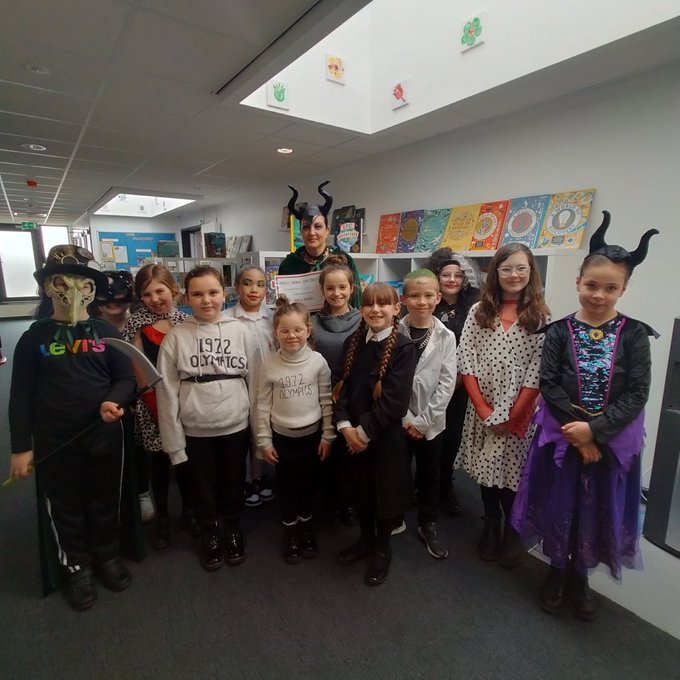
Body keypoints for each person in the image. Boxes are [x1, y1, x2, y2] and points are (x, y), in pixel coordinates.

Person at [511, 212, 659, 621]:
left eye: (610, 288)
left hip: (610, 442)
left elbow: (638, 391)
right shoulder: (559, 331)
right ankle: (557, 571)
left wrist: (595, 432)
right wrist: (576, 433)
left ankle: (581, 576)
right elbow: (549, 382)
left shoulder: (634, 334)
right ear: (578, 282)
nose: (599, 295)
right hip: (562, 435)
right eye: (592, 285)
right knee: (562, 504)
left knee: (596, 507)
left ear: (624, 289)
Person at [8, 245, 136, 611]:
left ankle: (106, 554)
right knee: (65, 504)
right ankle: (75, 565)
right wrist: (21, 446)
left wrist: (114, 400)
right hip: (55, 438)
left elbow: (125, 377)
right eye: (63, 282)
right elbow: (20, 394)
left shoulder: (105, 331)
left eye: (83, 283)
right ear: (49, 286)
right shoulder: (34, 338)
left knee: (104, 497)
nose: (73, 291)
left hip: (103, 432)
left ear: (92, 289)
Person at [156, 266, 259, 572]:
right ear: (186, 298)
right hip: (195, 428)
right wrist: (174, 444)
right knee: (201, 487)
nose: (206, 300)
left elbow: (255, 384)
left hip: (235, 423)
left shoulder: (241, 331)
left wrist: (259, 433)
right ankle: (210, 531)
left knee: (233, 481)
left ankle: (233, 526)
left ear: (224, 294)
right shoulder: (176, 337)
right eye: (197, 294)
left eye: (213, 292)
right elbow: (166, 392)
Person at [456, 243, 550, 568]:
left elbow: (538, 369)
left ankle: (512, 526)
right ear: (496, 272)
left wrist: (513, 414)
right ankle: (491, 521)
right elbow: (466, 359)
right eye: (506, 268)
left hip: (520, 409)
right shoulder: (479, 311)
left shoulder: (541, 316)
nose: (513, 275)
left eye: (521, 268)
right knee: (486, 470)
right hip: (483, 405)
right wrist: (483, 408)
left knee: (512, 472)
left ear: (530, 272)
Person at [333, 282, 417, 586]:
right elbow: (339, 387)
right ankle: (365, 540)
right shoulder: (353, 342)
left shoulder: (404, 348)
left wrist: (363, 434)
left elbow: (395, 402)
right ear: (361, 309)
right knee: (361, 491)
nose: (375, 309)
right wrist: (345, 426)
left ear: (396, 309)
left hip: (382, 439)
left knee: (383, 495)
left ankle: (382, 548)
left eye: (383, 304)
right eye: (369, 304)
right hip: (351, 436)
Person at [254, 296, 335, 563]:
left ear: (308, 331)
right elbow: (262, 405)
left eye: (298, 329)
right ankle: (289, 529)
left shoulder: (318, 362)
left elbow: (326, 401)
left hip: (312, 439)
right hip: (281, 440)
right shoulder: (269, 364)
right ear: (275, 333)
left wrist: (328, 436)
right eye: (285, 330)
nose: (291, 336)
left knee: (308, 485)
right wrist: (264, 441)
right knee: (286, 486)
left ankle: (306, 525)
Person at [122, 264, 195, 545]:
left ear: (173, 290)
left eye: (159, 291)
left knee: (185, 460)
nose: (154, 299)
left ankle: (189, 510)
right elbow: (138, 367)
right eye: (146, 294)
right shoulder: (137, 323)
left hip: (184, 400)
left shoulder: (184, 321)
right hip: (152, 402)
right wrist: (158, 407)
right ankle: (163, 516)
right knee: (160, 463)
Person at [399, 269, 457, 559]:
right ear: (403, 299)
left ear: (438, 298)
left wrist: (422, 422)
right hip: (400, 418)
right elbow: (388, 381)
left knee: (429, 473)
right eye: (414, 295)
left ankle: (427, 522)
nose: (421, 301)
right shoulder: (394, 331)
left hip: (432, 422)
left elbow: (447, 384)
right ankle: (395, 515)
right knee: (397, 469)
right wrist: (407, 419)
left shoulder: (447, 336)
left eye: (427, 296)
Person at [424, 248, 482, 517]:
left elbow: (475, 347)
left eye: (457, 275)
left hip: (460, 385)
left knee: (452, 437)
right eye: (446, 275)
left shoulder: (473, 309)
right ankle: (424, 485)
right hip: (428, 383)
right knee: (428, 436)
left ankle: (445, 486)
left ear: (465, 278)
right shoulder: (427, 303)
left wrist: (457, 380)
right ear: (436, 276)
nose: (451, 280)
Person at [311, 256, 361, 525]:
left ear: (352, 288)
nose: (337, 293)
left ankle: (348, 501)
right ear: (322, 290)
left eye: (342, 287)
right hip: (319, 396)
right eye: (330, 288)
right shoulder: (313, 322)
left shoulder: (363, 319)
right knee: (324, 449)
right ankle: (328, 498)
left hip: (352, 397)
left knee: (348, 452)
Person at [225, 265, 276, 508]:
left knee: (261, 432)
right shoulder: (227, 318)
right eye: (247, 283)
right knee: (241, 434)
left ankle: (258, 476)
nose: (254, 289)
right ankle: (243, 480)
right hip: (238, 385)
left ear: (266, 289)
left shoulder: (273, 317)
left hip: (268, 384)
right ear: (237, 287)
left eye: (260, 284)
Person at [278, 181, 361, 308]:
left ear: (327, 230)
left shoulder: (345, 261)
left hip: (338, 320)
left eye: (317, 226)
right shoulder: (289, 265)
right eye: (306, 227)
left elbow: (356, 303)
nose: (312, 232)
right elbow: (283, 308)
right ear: (300, 231)